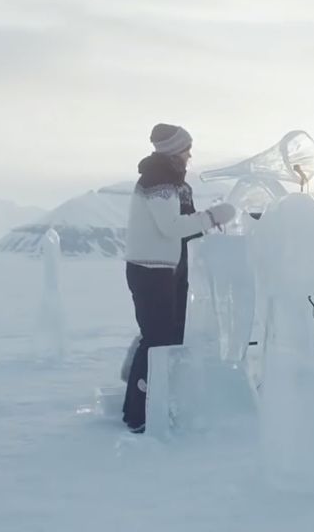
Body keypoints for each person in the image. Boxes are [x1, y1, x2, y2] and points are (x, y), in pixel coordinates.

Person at [121, 123, 236, 433]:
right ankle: (138, 413)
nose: (190, 154)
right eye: (186, 148)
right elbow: (170, 227)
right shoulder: (157, 180)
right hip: (150, 271)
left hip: (171, 269)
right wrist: (213, 217)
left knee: (169, 339)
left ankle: (156, 403)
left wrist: (207, 224)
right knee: (157, 341)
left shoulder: (176, 182)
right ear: (174, 151)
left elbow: (185, 225)